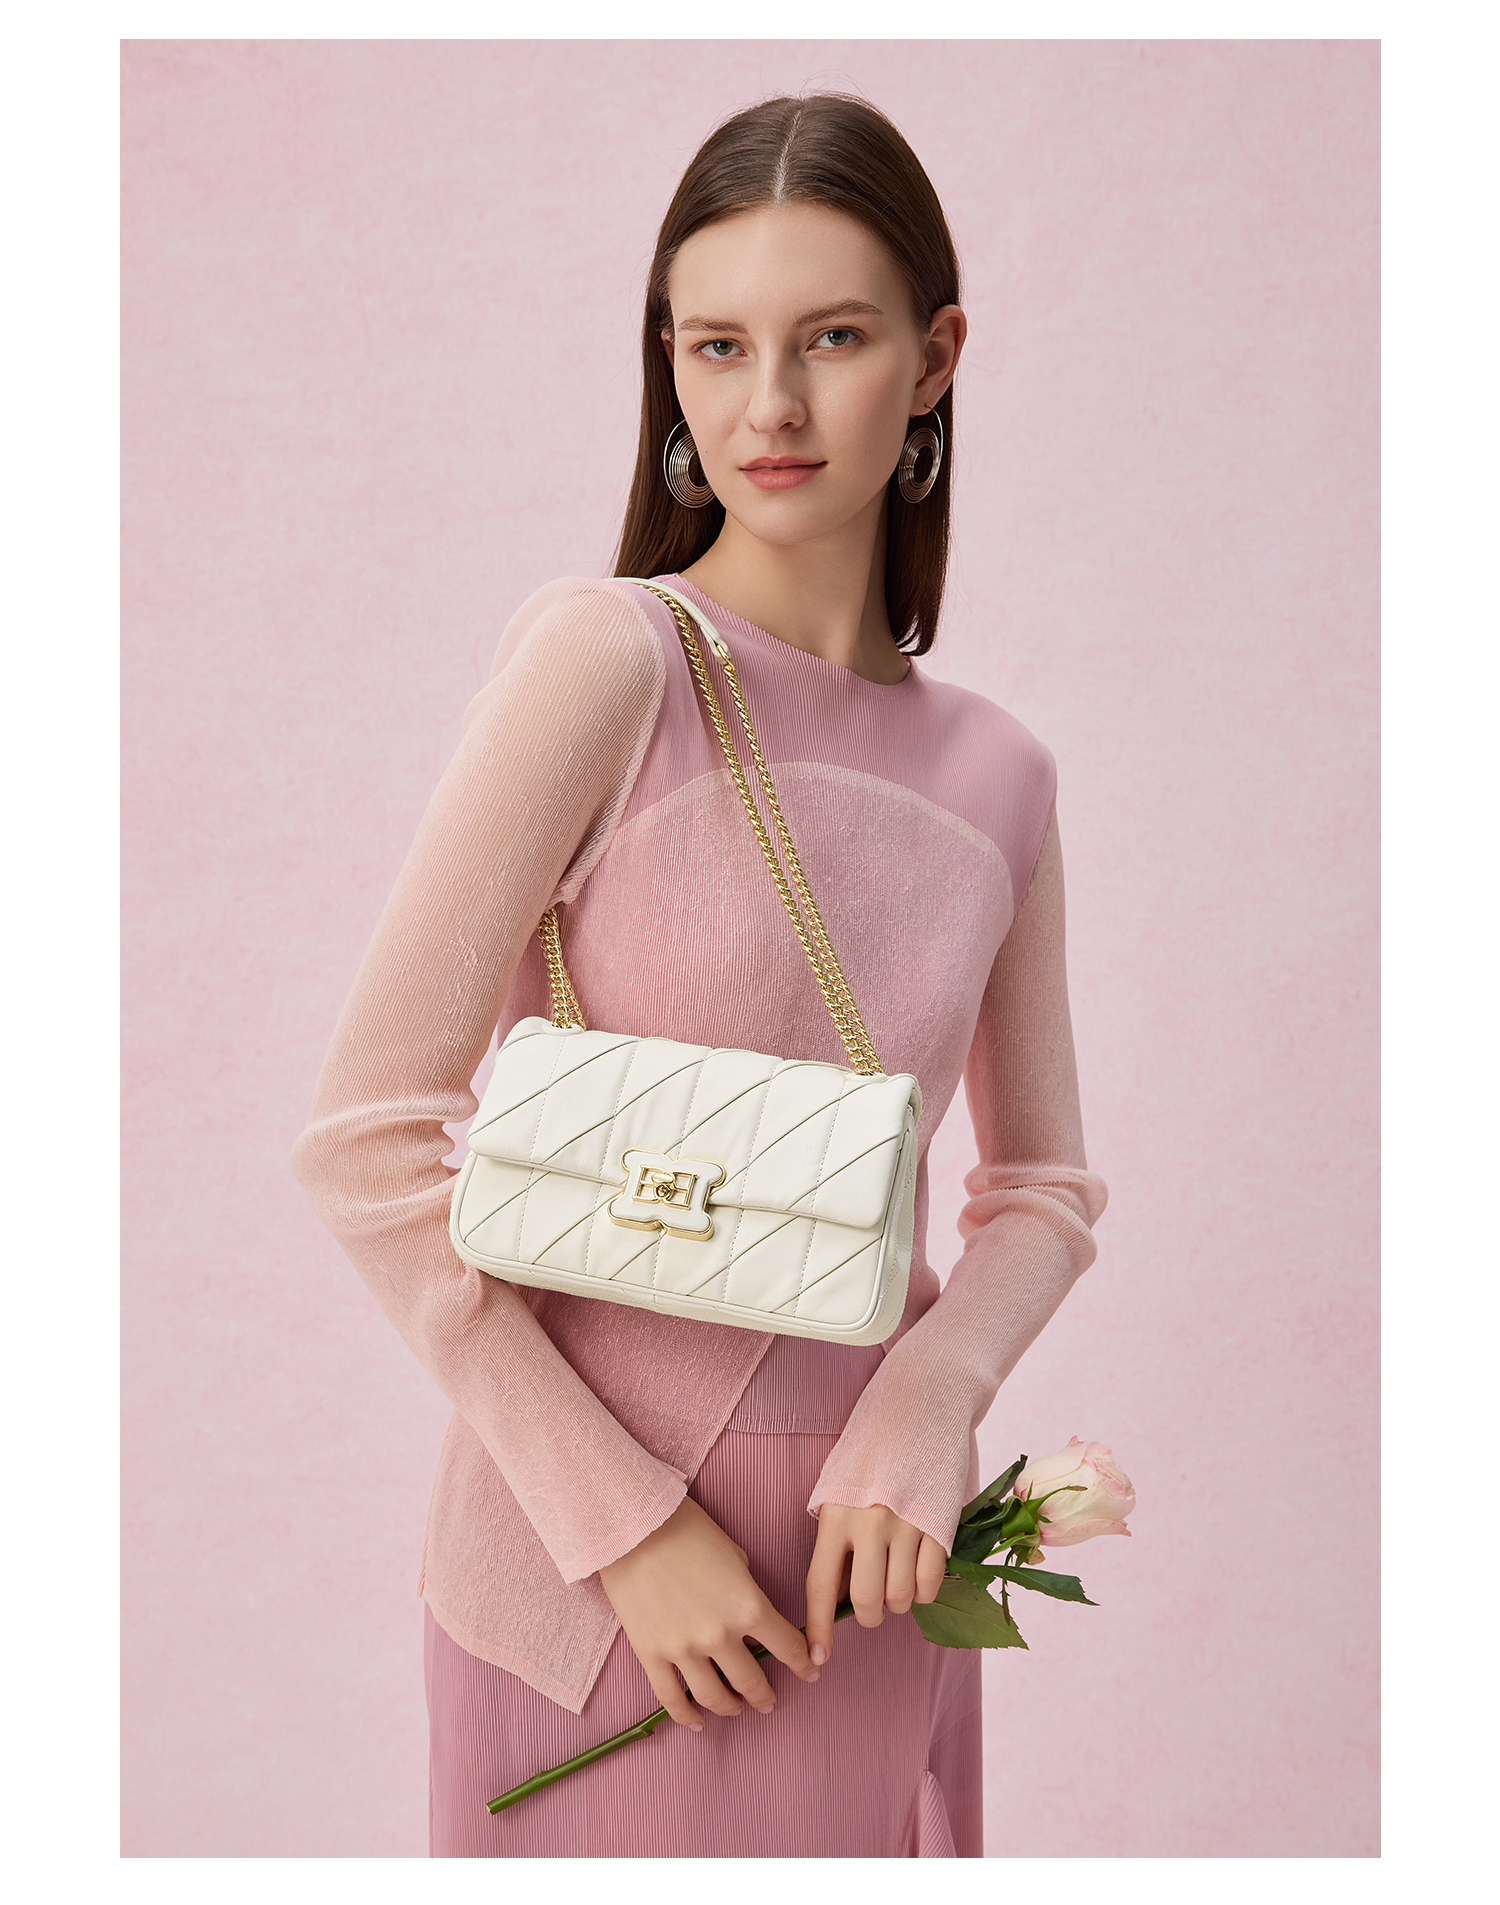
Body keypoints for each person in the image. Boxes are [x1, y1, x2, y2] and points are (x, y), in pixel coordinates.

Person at [291, 91, 1108, 1859]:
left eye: (834, 338)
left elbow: (1041, 1186)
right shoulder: (612, 662)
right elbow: (364, 1139)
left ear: (936, 357)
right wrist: (623, 1525)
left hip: (864, 1562)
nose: (769, 406)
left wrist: (933, 1397)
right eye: (716, 345)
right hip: (587, 1587)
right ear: (666, 364)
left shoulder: (1004, 775)